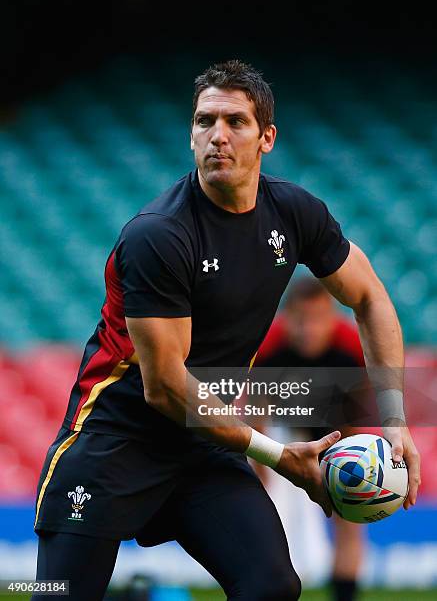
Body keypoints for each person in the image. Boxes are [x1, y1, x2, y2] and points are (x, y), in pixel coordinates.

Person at [32, 60, 420, 601]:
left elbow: (371, 297)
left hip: (202, 448)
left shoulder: (294, 213)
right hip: (113, 442)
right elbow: (166, 386)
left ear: (267, 138)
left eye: (235, 121)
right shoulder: (158, 236)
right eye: (204, 121)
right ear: (190, 134)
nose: (217, 135)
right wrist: (281, 458)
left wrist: (395, 419)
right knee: (57, 592)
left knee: (272, 586)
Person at [257, 277, 366, 601]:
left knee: (349, 511)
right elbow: (256, 414)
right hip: (282, 428)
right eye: (301, 320)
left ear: (331, 317)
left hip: (332, 428)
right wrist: (259, 466)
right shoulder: (269, 346)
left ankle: (344, 592)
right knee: (265, 511)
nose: (309, 329)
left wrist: (349, 467)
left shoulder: (349, 348)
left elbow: (353, 418)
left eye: (317, 319)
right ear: (287, 317)